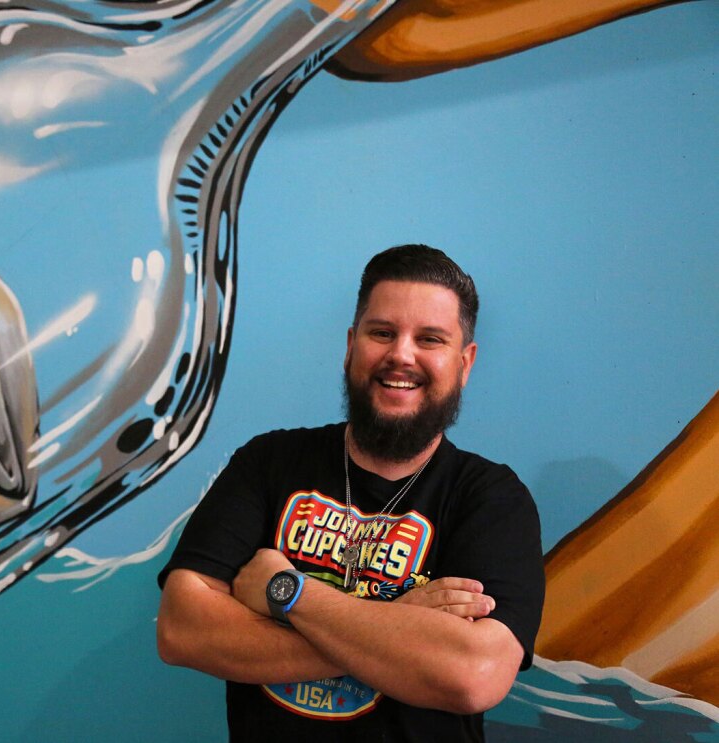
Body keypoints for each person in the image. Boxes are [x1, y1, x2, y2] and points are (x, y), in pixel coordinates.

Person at [156, 244, 544, 742]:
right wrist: (401, 629)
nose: (401, 354)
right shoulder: (268, 461)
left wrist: (287, 592)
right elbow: (182, 629)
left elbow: (474, 675)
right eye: (382, 333)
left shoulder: (492, 499)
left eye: (430, 339)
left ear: (464, 363)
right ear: (350, 344)